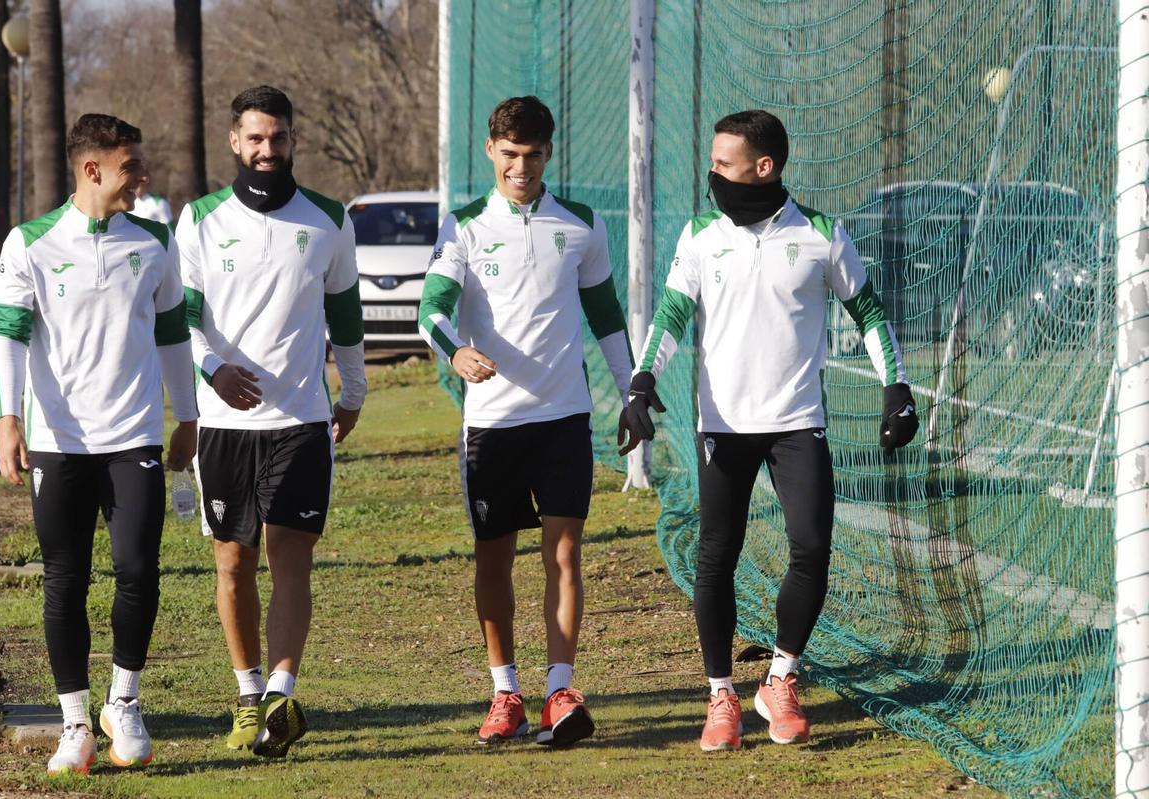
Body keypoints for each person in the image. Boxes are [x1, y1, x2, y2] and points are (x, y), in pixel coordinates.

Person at [619, 110, 918, 751]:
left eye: (724, 164)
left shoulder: (821, 235)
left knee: (811, 547)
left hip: (797, 422)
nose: (713, 174)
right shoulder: (701, 235)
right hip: (722, 425)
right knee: (716, 556)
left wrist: (896, 386)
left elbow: (866, 310)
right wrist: (642, 383)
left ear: (765, 167)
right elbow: (671, 313)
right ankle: (721, 694)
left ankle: (780, 678)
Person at [419, 96, 636, 747]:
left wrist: (631, 393)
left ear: (548, 153)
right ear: (491, 150)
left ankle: (562, 688)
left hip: (565, 418)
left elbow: (606, 316)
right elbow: (430, 307)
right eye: (510, 154)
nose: (521, 166)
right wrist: (454, 350)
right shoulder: (462, 228)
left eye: (533, 154)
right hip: (491, 425)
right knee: (495, 556)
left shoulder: (582, 225)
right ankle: (505, 689)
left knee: (564, 551)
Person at [0, 113, 198, 774]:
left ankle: (124, 702)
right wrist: (8, 418)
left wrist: (187, 415)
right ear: (93, 169)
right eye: (131, 165)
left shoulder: (156, 242)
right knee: (65, 579)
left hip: (133, 434)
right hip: (59, 440)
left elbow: (173, 335)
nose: (142, 177)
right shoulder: (30, 242)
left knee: (138, 568)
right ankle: (76, 721)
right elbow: (9, 334)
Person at [175, 85, 365, 758]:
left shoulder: (328, 219)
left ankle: (282, 693)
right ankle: (246, 692)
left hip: (301, 420)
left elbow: (346, 318)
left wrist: (354, 392)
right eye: (254, 138)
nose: (266, 149)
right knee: (233, 562)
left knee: (290, 556)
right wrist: (212, 370)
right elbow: (184, 318)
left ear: (293, 140)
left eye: (277, 137)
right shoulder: (198, 219)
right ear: (235, 141)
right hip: (224, 423)